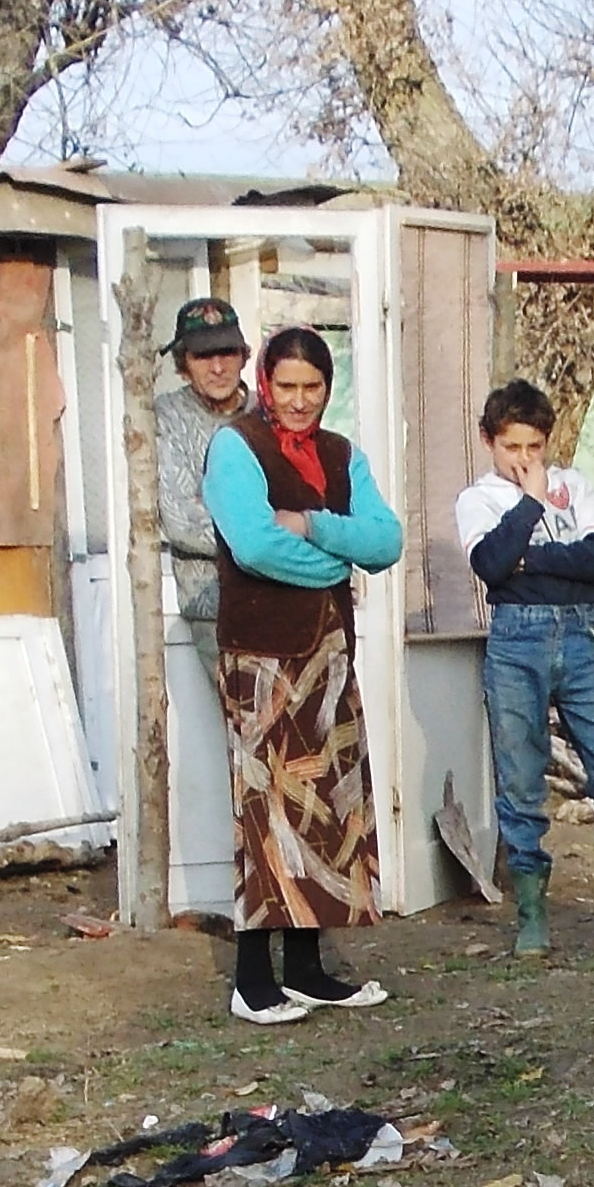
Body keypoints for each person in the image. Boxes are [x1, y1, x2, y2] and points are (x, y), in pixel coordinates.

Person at [200, 325, 405, 1024]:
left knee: (325, 810)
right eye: (285, 386)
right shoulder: (236, 445)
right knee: (265, 810)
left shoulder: (341, 454)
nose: (297, 400)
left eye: (311, 387)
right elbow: (254, 546)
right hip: (261, 658)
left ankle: (309, 970)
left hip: (327, 657)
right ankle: (253, 980)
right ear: (265, 383)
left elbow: (385, 540)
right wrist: (338, 565)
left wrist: (316, 527)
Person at [453, 379, 594, 957]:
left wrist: (531, 559)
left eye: (534, 447)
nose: (524, 459)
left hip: (579, 636)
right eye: (512, 447)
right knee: (521, 781)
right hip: (517, 641)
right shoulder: (479, 498)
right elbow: (492, 564)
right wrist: (531, 504)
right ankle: (532, 916)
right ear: (488, 440)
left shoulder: (576, 487)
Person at [154, 296, 252, 677]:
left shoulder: (269, 413)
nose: (218, 367)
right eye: (203, 355)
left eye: (227, 352)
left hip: (289, 601)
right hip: (215, 607)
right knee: (249, 711)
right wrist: (268, 534)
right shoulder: (167, 418)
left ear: (243, 356)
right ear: (183, 365)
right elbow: (182, 520)